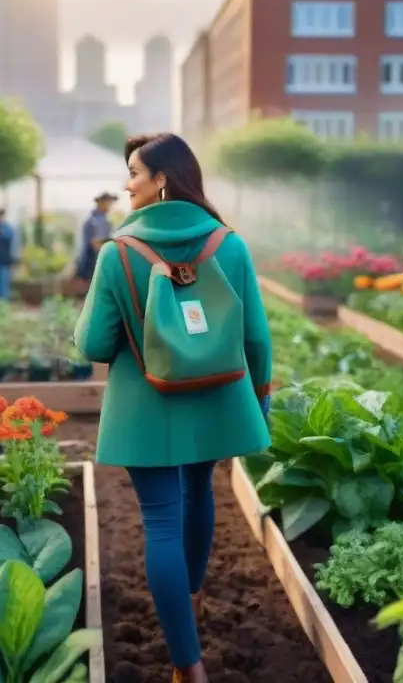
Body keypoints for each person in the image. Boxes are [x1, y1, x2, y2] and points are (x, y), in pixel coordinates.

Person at [73, 133, 272, 682]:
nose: (126, 183)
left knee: (159, 524)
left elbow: (93, 345)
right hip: (216, 399)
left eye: (133, 172)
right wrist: (261, 401)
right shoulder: (228, 244)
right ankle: (193, 597)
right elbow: (256, 336)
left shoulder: (118, 252)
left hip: (146, 409)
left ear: (161, 178)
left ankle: (189, 668)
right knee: (198, 491)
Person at [73, 192, 118, 287]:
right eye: (107, 202)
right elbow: (94, 242)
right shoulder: (93, 221)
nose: (109, 205)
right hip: (91, 260)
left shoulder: (105, 221)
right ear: (100, 203)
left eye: (110, 202)